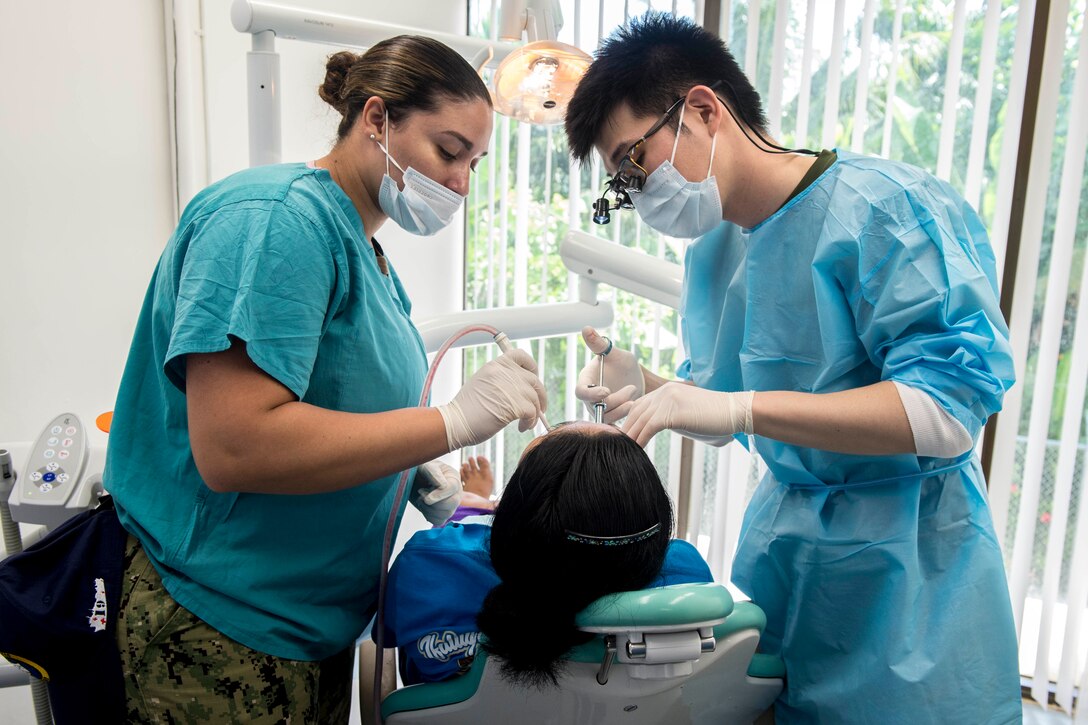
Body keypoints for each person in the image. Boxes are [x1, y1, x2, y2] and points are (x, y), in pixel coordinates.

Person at [563, 13, 1021, 725]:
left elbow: (948, 411)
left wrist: (746, 408)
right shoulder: (716, 250)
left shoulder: (884, 210)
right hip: (789, 559)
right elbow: (719, 404)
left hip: (911, 583)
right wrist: (650, 386)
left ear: (704, 110)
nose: (636, 193)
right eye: (621, 183)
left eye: (632, 164)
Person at [103, 37, 547, 723]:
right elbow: (235, 445)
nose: (461, 182)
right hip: (219, 629)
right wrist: (450, 422)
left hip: (310, 632)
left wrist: (433, 483)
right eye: (449, 151)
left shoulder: (363, 252)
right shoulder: (275, 222)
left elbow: (341, 404)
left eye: (475, 163)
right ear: (377, 118)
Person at [381, 424, 713, 686]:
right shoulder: (685, 577)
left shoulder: (428, 565)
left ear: (512, 514)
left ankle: (477, 502)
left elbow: (387, 634)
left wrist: (476, 509)